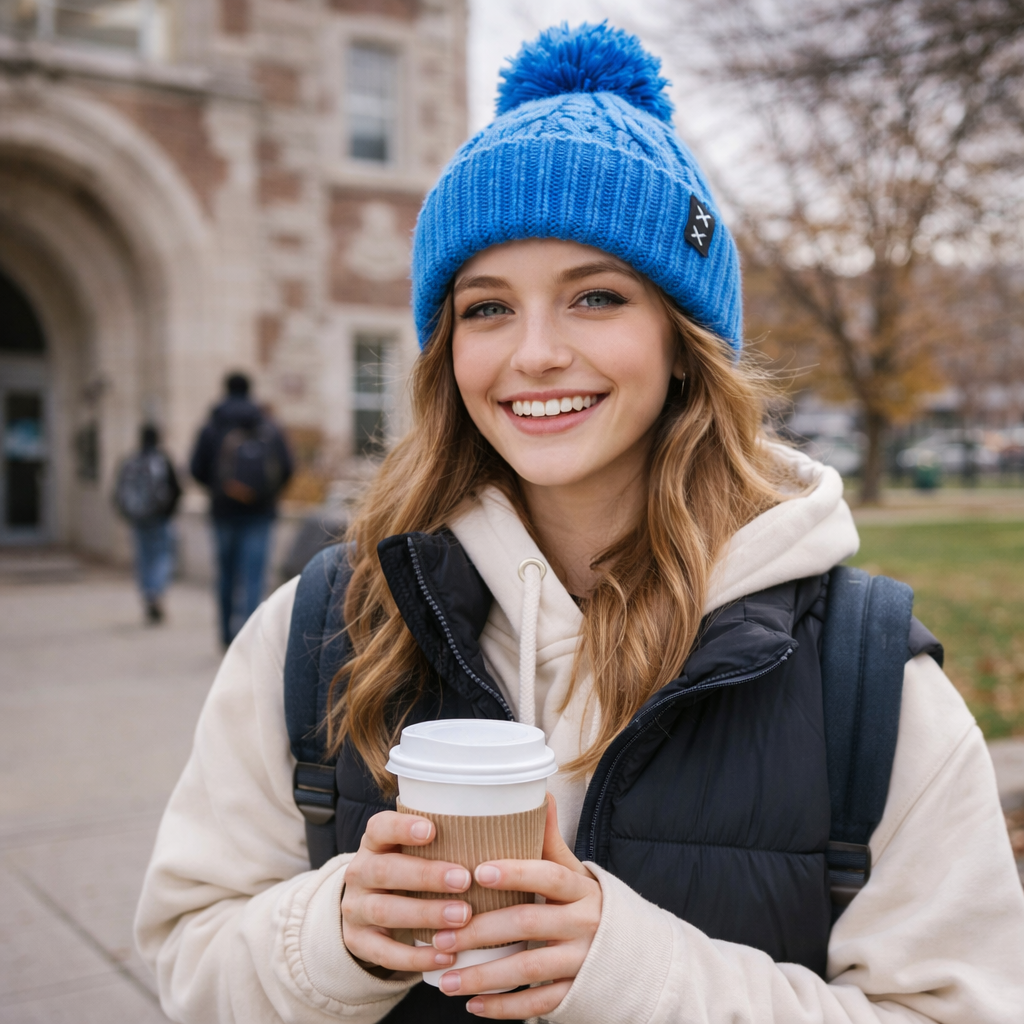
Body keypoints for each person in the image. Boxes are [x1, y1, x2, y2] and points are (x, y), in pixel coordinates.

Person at [136, 24, 1024, 1024]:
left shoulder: (865, 680)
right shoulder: (322, 629)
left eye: (595, 296)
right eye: (486, 308)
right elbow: (190, 954)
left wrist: (639, 978)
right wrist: (331, 934)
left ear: (683, 340)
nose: (536, 353)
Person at [189, 371, 293, 647]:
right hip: (260, 513)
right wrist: (263, 494)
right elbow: (287, 468)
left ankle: (226, 635)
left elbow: (196, 469)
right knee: (253, 578)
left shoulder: (212, 427)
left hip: (223, 513)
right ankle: (248, 641)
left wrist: (221, 489)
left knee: (226, 575)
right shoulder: (268, 426)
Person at [114, 423, 181, 623]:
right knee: (163, 556)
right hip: (160, 518)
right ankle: (156, 592)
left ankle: (147, 593)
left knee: (143, 558)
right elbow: (176, 489)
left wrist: (129, 514)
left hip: (138, 518)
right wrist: (168, 512)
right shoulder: (162, 460)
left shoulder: (130, 461)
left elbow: (117, 492)